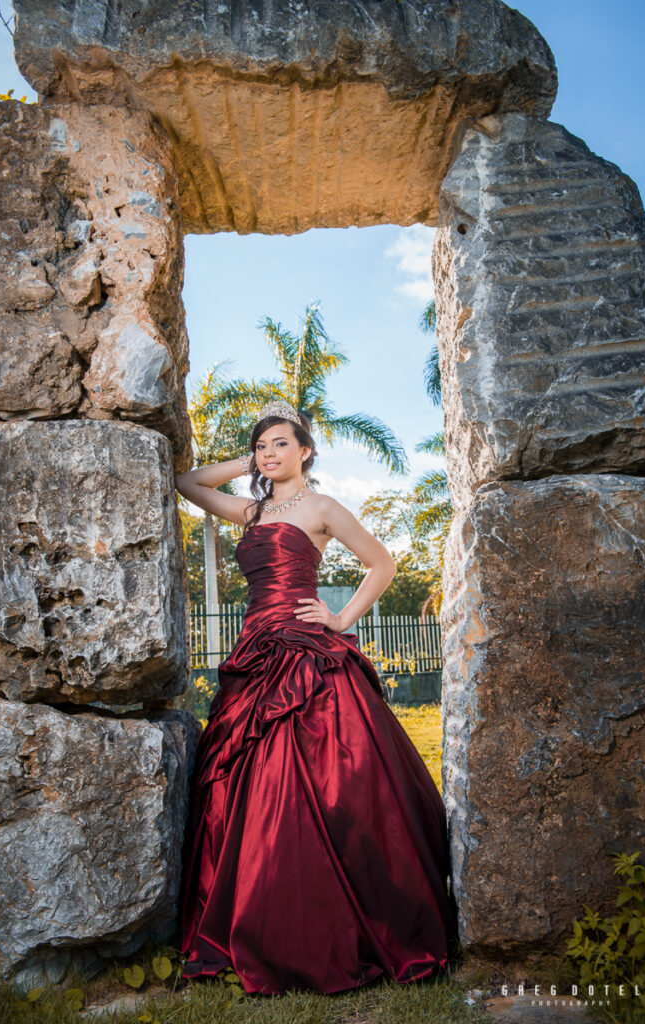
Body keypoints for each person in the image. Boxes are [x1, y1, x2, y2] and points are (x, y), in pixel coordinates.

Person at [174, 400, 459, 996]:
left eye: (281, 444)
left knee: (334, 778)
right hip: (256, 651)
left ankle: (342, 919)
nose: (269, 454)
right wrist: (246, 460)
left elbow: (381, 562)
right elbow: (188, 483)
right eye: (262, 447)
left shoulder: (324, 508)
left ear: (306, 451)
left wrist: (339, 618)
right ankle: (258, 914)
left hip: (307, 649)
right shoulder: (250, 510)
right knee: (247, 779)